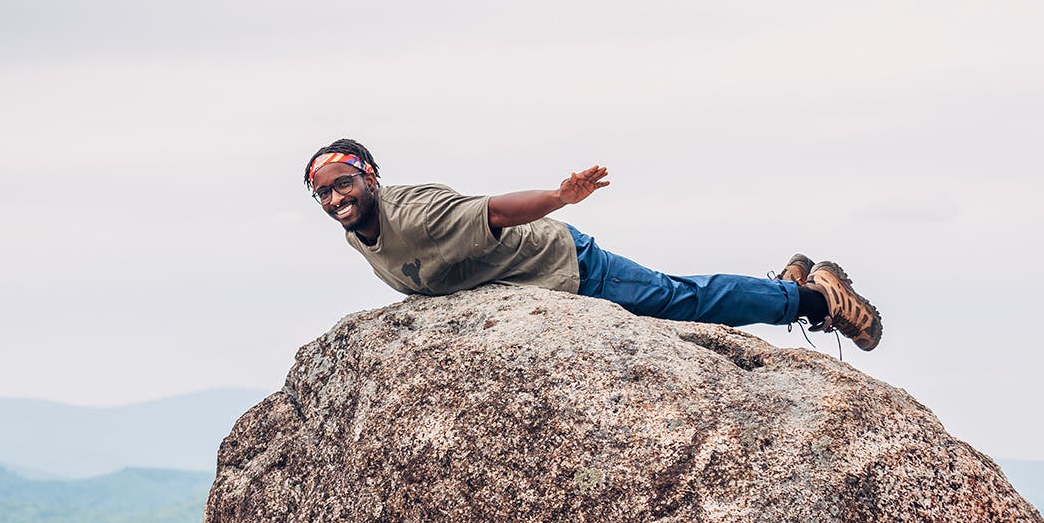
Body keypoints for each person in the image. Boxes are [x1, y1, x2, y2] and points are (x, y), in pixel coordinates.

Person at [305, 139, 882, 350]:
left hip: (563, 263)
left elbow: (495, 210)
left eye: (344, 184)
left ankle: (817, 299)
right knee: (681, 303)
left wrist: (560, 197)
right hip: (530, 285)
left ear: (370, 177)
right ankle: (783, 287)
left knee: (682, 302)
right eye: (323, 193)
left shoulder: (417, 213)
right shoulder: (359, 231)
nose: (335, 199)